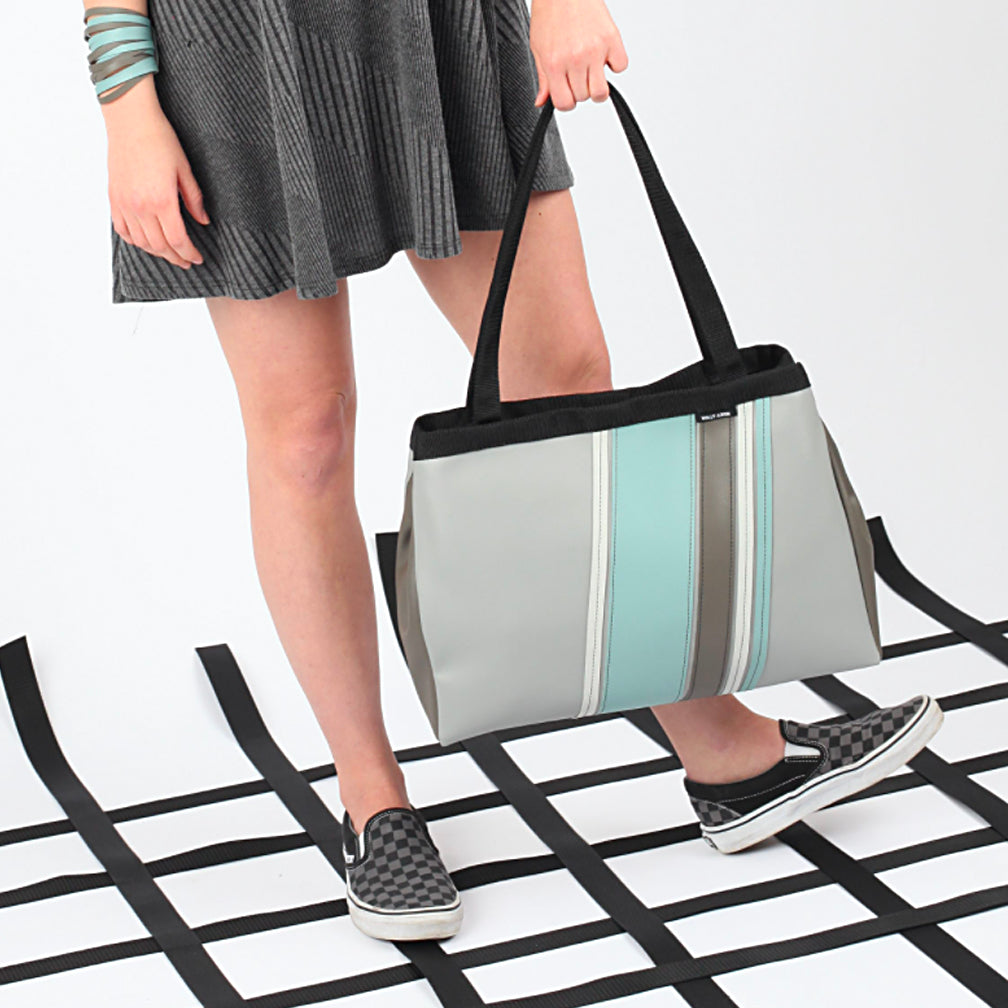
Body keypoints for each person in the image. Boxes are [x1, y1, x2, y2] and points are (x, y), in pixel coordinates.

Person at [83, 0, 943, 943]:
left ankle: (726, 751)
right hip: (238, 43)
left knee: (564, 385)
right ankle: (373, 802)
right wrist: (126, 96)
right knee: (305, 437)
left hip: (435, 21)